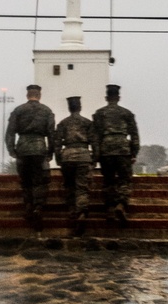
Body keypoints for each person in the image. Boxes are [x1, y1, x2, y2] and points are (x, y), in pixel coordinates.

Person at [4, 84, 55, 231]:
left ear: (28, 95)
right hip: (39, 148)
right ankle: (38, 207)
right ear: (39, 95)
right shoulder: (46, 111)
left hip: (23, 148)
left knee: (26, 181)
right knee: (40, 181)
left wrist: (12, 150)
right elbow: (51, 134)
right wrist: (50, 152)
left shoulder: (18, 110)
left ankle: (28, 206)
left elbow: (10, 133)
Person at [92, 84, 140, 225]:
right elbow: (134, 135)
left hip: (106, 149)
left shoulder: (99, 114)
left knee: (108, 181)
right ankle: (121, 204)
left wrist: (96, 154)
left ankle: (110, 209)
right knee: (125, 180)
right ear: (118, 97)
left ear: (106, 98)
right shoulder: (127, 113)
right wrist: (134, 152)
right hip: (123, 149)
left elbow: (95, 136)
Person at [53, 95, 98, 235]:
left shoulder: (63, 123)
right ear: (80, 107)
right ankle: (81, 213)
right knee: (82, 188)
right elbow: (95, 142)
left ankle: (72, 211)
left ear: (69, 107)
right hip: (84, 156)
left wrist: (58, 158)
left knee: (69, 186)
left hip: (67, 156)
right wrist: (94, 159)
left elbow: (57, 143)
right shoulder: (87, 123)